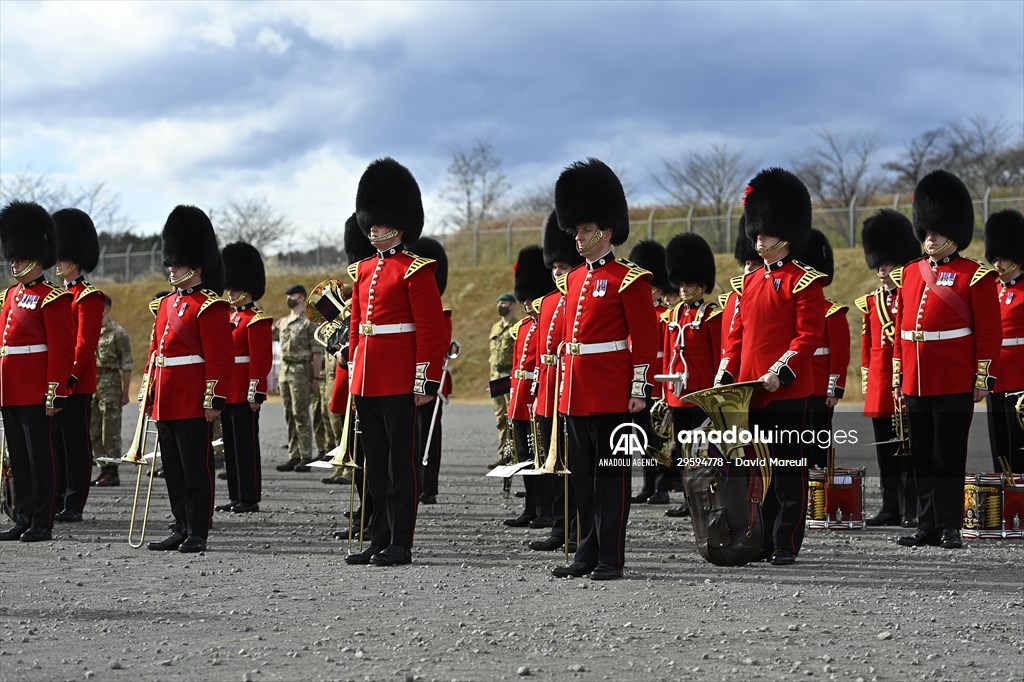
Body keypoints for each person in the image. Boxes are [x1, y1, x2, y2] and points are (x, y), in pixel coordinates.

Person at [551, 159, 660, 581]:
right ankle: (585, 551)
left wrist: (638, 386)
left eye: (584, 229)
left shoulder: (629, 279)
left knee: (611, 480)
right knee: (583, 479)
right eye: (576, 230)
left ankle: (611, 556)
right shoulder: (574, 279)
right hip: (577, 390)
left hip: (613, 390)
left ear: (606, 232)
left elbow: (645, 341)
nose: (577, 236)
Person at [717, 167, 826, 567]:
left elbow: (808, 337)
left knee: (787, 466)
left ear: (784, 234)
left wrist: (779, 371)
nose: (756, 237)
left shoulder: (804, 282)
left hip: (786, 389)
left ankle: (786, 540)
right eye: (756, 231)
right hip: (751, 391)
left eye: (763, 232)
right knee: (756, 472)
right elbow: (736, 337)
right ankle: (761, 536)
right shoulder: (748, 284)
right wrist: (725, 374)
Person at [344, 157, 446, 567]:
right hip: (368, 379)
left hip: (400, 380)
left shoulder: (416, 271)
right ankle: (378, 537)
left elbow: (432, 332)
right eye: (370, 221)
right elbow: (356, 329)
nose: (372, 228)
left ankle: (401, 541)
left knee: (401, 465)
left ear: (399, 225)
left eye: (380, 222)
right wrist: (353, 372)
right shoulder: (363, 270)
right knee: (375, 466)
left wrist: (425, 380)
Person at [894, 170, 1001, 550]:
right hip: (917, 380)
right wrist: (898, 374)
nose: (929, 238)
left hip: (954, 378)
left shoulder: (976, 276)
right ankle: (926, 525)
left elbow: (989, 333)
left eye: (936, 232)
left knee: (948, 454)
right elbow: (902, 328)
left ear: (953, 233)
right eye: (925, 232)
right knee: (921, 454)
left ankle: (950, 525)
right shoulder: (909, 273)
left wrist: (982, 376)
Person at [145, 205, 232, 553]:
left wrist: (213, 399)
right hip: (166, 396)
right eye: (170, 262)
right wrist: (150, 393)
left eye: (176, 263)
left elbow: (219, 357)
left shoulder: (210, 306)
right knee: (174, 469)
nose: (171, 268)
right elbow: (156, 352)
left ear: (195, 266)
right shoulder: (165, 305)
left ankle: (198, 530)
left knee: (196, 468)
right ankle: (180, 524)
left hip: (192, 395)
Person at [0, 201, 75, 542]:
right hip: (10, 388)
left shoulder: (53, 297)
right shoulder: (9, 296)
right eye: (12, 255)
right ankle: (23, 515)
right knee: (18, 455)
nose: (13, 261)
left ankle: (42, 520)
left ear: (37, 254)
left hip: (36, 389)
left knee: (39, 456)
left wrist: (55, 390)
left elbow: (61, 348)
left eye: (19, 255)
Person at [857, 209, 921, 526]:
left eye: (889, 263)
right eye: (880, 264)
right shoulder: (871, 301)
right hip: (882, 384)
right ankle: (890, 506)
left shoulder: (912, 294)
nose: (883, 270)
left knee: (908, 448)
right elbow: (867, 347)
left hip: (907, 378)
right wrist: (868, 384)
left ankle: (912, 508)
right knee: (885, 449)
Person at [529, 210, 583, 553]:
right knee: (555, 464)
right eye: (555, 267)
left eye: (563, 266)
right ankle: (558, 525)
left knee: (575, 466)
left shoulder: (578, 298)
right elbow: (538, 354)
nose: (558, 272)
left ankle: (575, 528)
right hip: (550, 389)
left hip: (572, 385)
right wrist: (536, 392)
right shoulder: (547, 302)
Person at [662, 232, 723, 518]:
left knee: (705, 448)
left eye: (689, 284)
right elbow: (667, 354)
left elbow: (719, 356)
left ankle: (709, 495)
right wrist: (665, 393)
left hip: (701, 393)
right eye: (681, 284)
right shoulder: (672, 317)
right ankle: (689, 497)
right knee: (684, 448)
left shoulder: (711, 315)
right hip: (677, 395)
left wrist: (716, 392)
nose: (684, 289)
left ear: (702, 285)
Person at [51, 208, 105, 522]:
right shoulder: (60, 296)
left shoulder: (88, 297)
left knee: (75, 444)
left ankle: (75, 502)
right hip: (56, 382)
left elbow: (84, 344)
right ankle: (58, 497)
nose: (56, 263)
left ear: (75, 260)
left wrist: (69, 376)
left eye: (61, 258)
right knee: (56, 443)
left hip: (75, 382)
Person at [216, 242, 273, 514]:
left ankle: (249, 497)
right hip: (229, 389)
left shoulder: (256, 320)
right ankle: (236, 494)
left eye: (234, 289)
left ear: (247, 290)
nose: (230, 293)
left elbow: (261, 360)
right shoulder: (231, 318)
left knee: (246, 446)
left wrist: (256, 392)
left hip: (244, 391)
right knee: (231, 444)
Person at [504, 245, 554, 527]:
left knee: (542, 458)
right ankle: (531, 508)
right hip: (519, 398)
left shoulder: (546, 324)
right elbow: (515, 368)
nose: (526, 303)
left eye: (530, 297)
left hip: (536, 397)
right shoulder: (522, 327)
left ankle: (547, 510)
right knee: (524, 458)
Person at [626, 240, 674, 506]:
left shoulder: (666, 315)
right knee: (641, 437)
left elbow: (668, 355)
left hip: (657, 383)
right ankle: (647, 484)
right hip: (637, 382)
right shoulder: (633, 313)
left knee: (660, 439)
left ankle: (662, 487)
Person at [800, 228, 850, 469]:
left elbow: (840, 355)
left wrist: (834, 389)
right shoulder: (792, 312)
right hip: (796, 385)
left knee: (819, 437)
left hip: (820, 388)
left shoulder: (832, 312)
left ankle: (819, 489)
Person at [408, 236, 452, 505]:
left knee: (429, 434)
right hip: (406, 378)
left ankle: (429, 485)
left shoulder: (439, 312)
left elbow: (437, 346)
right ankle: (415, 482)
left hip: (429, 380)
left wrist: (426, 382)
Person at [984, 209, 1024, 474]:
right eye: (995, 258)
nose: (997, 264)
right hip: (995, 380)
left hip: (1020, 380)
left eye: (1003, 258)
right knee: (999, 449)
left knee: (1020, 447)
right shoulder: (993, 291)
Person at [274, 284, 321, 472]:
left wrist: (316, 378)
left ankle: (305, 455)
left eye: (291, 294)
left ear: (301, 297)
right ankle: (293, 454)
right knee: (288, 414)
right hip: (285, 371)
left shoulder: (309, 322)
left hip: (302, 370)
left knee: (301, 413)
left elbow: (317, 353)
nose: (288, 298)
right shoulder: (284, 322)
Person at [91, 295, 133, 487]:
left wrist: (125, 393)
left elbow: (127, 365)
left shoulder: (118, 333)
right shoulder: (89, 331)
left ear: (106, 308)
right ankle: (102, 468)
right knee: (93, 429)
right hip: (93, 383)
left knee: (111, 430)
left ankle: (113, 472)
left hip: (111, 383)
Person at [488, 293, 517, 467]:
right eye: (499, 302)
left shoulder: (517, 327)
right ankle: (504, 455)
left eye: (504, 302)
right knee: (500, 418)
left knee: (512, 417)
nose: (500, 305)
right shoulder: (495, 328)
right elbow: (492, 355)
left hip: (510, 376)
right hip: (496, 376)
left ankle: (514, 454)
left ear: (513, 306)